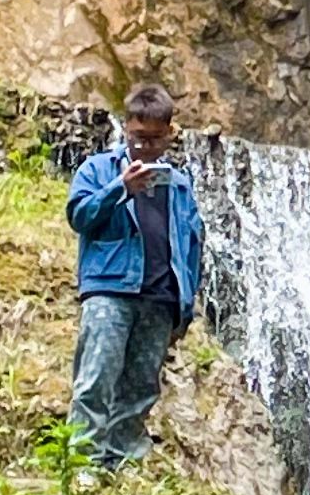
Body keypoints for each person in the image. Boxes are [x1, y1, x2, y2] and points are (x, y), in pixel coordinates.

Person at [65, 81, 206, 467]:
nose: (146, 147)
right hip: (111, 291)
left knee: (141, 389)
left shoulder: (179, 186)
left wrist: (185, 304)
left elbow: (192, 244)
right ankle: (82, 467)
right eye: (139, 137)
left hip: (160, 300)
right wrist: (119, 189)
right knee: (96, 379)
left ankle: (120, 465)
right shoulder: (98, 170)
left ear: (169, 134)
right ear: (125, 126)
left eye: (155, 139)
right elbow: (80, 217)